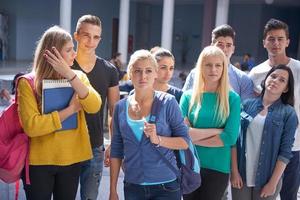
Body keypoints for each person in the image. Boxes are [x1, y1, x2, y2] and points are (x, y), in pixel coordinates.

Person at [17, 26, 101, 200]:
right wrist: (70, 110)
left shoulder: (78, 78)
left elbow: (94, 106)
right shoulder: (28, 83)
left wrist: (70, 75)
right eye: (69, 50)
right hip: (38, 162)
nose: (74, 54)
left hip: (72, 159)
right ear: (52, 53)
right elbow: (32, 127)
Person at [109, 49, 190, 200]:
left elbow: (185, 141)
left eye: (148, 71)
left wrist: (158, 139)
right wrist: (113, 189)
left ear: (155, 74)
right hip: (133, 186)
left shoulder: (168, 102)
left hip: (165, 186)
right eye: (137, 71)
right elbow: (116, 149)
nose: (143, 76)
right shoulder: (120, 107)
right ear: (130, 73)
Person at [180, 46, 241, 200]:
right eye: (208, 65)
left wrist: (193, 137)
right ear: (201, 67)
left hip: (218, 168)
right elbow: (181, 135)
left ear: (223, 68)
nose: (213, 69)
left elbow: (230, 138)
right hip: (189, 165)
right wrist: (217, 131)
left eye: (218, 65)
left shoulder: (232, 98)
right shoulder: (188, 97)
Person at [248, 18, 300, 200]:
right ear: (264, 42)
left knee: (289, 195)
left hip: (293, 146)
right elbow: (251, 108)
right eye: (271, 39)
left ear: (287, 41)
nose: (275, 43)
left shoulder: (298, 69)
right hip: (263, 148)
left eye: (280, 38)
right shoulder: (255, 73)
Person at [231, 65, 298, 200]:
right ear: (266, 79)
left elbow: (285, 153)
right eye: (273, 76)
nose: (275, 81)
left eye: (282, 80)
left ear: (286, 88)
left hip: (267, 179)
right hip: (241, 175)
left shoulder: (289, 114)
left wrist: (272, 183)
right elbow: (234, 140)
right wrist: (234, 172)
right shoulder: (246, 105)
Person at [72, 14, 120, 200]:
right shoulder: (65, 65)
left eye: (96, 37)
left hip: (95, 145)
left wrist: (113, 143)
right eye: (86, 35)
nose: (91, 41)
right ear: (76, 36)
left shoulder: (109, 70)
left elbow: (114, 110)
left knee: (90, 197)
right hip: (66, 144)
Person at [182, 24, 254, 102]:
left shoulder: (243, 79)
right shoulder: (195, 74)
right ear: (212, 46)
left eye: (228, 45)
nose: (224, 49)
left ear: (233, 49)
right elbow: (184, 102)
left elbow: (247, 110)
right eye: (220, 45)